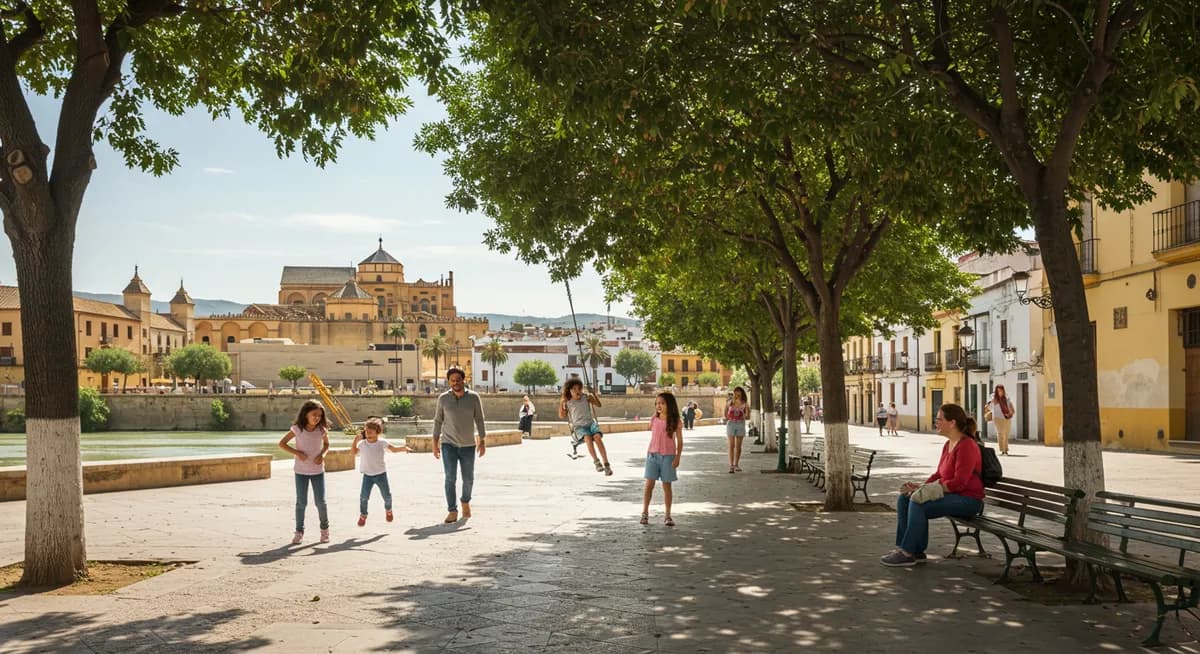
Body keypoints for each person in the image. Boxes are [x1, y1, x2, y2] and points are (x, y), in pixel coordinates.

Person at [881, 403, 985, 567]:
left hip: (969, 501)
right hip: (952, 495)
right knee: (905, 499)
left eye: (939, 419)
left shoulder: (967, 446)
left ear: (952, 423)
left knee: (918, 503)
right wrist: (920, 487)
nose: (936, 422)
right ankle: (911, 550)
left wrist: (929, 490)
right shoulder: (948, 444)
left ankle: (908, 552)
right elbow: (938, 474)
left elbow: (959, 483)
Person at [432, 366, 487, 524]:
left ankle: (465, 501)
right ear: (449, 381)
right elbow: (437, 421)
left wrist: (482, 441)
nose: (455, 383)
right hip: (448, 444)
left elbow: (480, 420)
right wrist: (434, 443)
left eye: (458, 380)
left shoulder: (474, 398)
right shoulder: (443, 398)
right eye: (452, 380)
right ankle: (452, 510)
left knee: (468, 478)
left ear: (464, 380)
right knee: (450, 478)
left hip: (468, 446)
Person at [278, 399, 331, 544]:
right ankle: (299, 532)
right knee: (301, 503)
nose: (317, 418)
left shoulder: (322, 430)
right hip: (300, 472)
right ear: (306, 414)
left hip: (317, 472)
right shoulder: (297, 429)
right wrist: (297, 453)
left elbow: (326, 445)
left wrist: (322, 455)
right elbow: (282, 443)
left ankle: (325, 530)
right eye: (314, 414)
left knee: (321, 502)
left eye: (319, 415)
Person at [351, 417, 409, 527]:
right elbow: (353, 453)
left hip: (381, 474)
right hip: (367, 476)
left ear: (377, 432)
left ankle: (389, 510)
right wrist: (355, 440)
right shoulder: (362, 444)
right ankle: (363, 515)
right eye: (366, 432)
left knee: (386, 496)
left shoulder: (382, 442)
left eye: (371, 432)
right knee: (363, 497)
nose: (368, 434)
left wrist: (404, 448)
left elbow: (393, 449)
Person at [642, 391, 685, 527]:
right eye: (657, 403)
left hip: (668, 457)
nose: (658, 405)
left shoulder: (675, 421)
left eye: (662, 403)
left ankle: (668, 515)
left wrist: (678, 457)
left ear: (669, 405)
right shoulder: (653, 419)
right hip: (652, 456)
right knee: (649, 486)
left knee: (667, 487)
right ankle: (645, 513)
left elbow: (680, 441)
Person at [559, 379, 612, 475]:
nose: (577, 391)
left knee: (597, 437)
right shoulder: (567, 401)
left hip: (591, 424)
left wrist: (593, 394)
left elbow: (599, 405)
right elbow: (562, 416)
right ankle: (596, 462)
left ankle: (606, 463)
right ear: (569, 390)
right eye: (574, 389)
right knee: (587, 437)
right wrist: (562, 406)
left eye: (579, 388)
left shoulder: (586, 397)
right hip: (579, 427)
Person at [725, 387, 750, 473]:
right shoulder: (730, 403)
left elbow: (748, 415)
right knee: (731, 446)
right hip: (731, 424)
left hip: (740, 424)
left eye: (739, 394)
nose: (737, 396)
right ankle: (731, 465)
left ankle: (737, 464)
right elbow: (725, 414)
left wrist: (745, 414)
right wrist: (729, 417)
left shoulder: (745, 403)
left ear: (742, 394)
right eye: (736, 394)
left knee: (738, 447)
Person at [989, 385, 1015, 455]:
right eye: (998, 391)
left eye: (1001, 390)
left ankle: (1005, 449)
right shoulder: (993, 397)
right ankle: (1002, 449)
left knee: (1006, 433)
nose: (999, 392)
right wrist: (993, 402)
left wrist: (1010, 413)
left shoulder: (1006, 398)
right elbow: (990, 407)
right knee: (1000, 433)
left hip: (1006, 417)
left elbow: (1011, 406)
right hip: (997, 418)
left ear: (1003, 391)